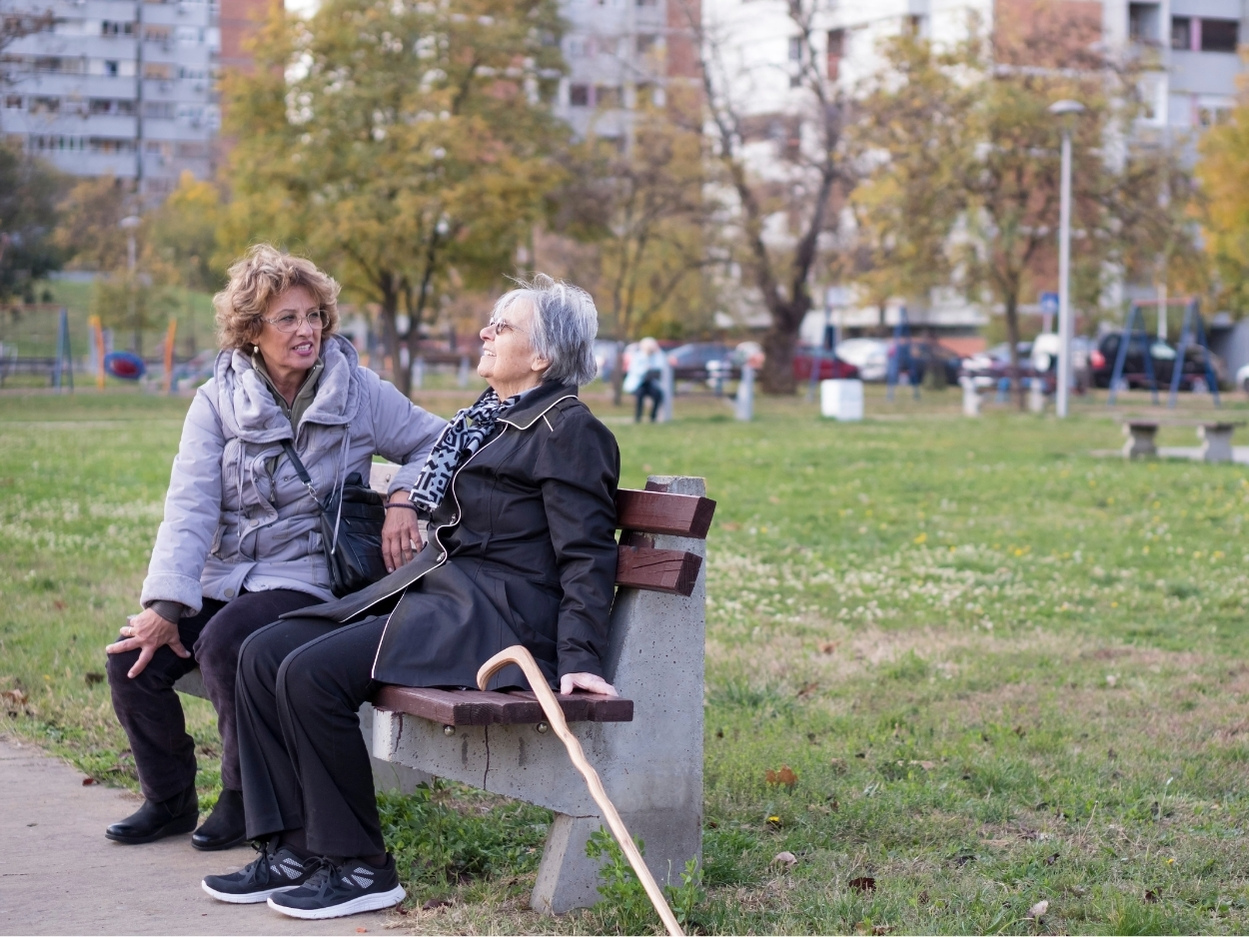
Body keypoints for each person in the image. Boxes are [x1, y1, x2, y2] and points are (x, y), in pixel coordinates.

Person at [201, 274, 620, 920]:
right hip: (445, 599)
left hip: (495, 622)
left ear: (541, 356)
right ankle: (293, 849)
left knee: (310, 673)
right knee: (263, 651)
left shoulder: (567, 429)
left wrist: (582, 658)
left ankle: (361, 864)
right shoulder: (490, 419)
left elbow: (587, 554)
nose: (486, 331)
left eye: (503, 326)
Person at [104, 245, 447, 852]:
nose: (306, 329)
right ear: (251, 331)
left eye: (314, 315)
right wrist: (165, 606)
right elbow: (189, 507)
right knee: (131, 660)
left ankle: (242, 797)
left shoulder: (359, 391)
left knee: (228, 642)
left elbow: (438, 443)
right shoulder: (215, 402)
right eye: (286, 318)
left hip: (309, 575)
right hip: (225, 574)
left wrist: (402, 500)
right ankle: (168, 798)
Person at [623, 336, 666, 422]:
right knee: (640, 395)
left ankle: (653, 417)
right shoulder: (638, 356)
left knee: (658, 394)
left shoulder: (657, 356)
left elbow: (661, 365)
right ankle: (638, 417)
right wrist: (645, 368)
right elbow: (633, 370)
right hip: (639, 383)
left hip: (651, 383)